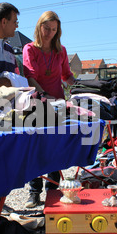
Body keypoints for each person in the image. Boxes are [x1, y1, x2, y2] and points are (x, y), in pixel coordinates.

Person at [22, 11, 75, 208]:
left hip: (58, 103)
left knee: (55, 148)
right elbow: (30, 76)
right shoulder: (29, 49)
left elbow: (66, 75)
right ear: (39, 27)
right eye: (46, 28)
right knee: (34, 149)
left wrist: (79, 88)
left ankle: (52, 191)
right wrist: (44, 95)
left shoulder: (61, 51)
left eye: (54, 29)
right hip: (36, 102)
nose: (49, 33)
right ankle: (34, 192)